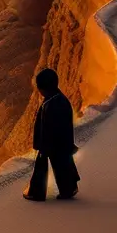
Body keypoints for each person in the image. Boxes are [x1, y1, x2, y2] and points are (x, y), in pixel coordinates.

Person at [23, 67, 79, 201]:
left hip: (51, 143)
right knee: (63, 165)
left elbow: (49, 126)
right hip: (61, 143)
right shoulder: (58, 99)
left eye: (40, 87)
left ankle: (36, 193)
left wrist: (43, 146)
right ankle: (69, 189)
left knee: (42, 168)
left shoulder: (52, 103)